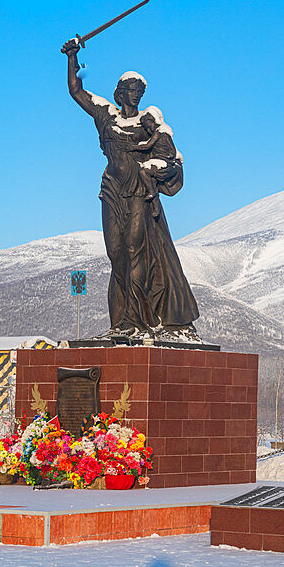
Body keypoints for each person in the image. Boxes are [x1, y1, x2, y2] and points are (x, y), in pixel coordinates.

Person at [61, 38, 200, 341]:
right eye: (131, 90)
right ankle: (121, 320)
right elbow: (76, 91)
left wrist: (164, 167)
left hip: (138, 191)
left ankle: (135, 321)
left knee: (134, 250)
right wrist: (72, 56)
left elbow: (169, 153)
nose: (135, 96)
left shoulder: (148, 122)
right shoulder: (106, 116)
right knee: (115, 254)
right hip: (111, 190)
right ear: (119, 92)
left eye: (140, 91)